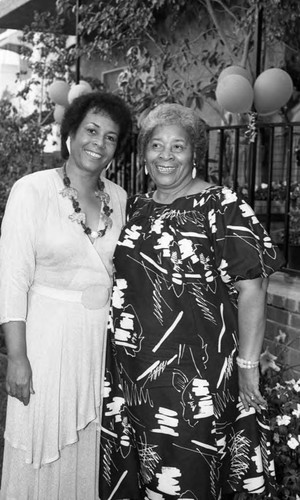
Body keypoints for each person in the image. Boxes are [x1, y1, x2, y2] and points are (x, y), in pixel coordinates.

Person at [99, 103, 285, 500]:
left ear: (194, 153)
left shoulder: (221, 204)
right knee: (143, 472)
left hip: (196, 376)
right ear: (144, 153)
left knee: (187, 476)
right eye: (156, 145)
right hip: (133, 372)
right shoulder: (136, 208)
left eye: (178, 146)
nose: (166, 155)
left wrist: (248, 364)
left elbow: (254, 286)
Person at [0, 91, 132, 499]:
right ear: (70, 133)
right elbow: (12, 278)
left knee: (88, 443)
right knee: (41, 443)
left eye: (111, 137)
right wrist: (18, 358)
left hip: (97, 343)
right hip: (46, 340)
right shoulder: (32, 190)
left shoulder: (120, 198)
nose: (99, 142)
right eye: (91, 130)